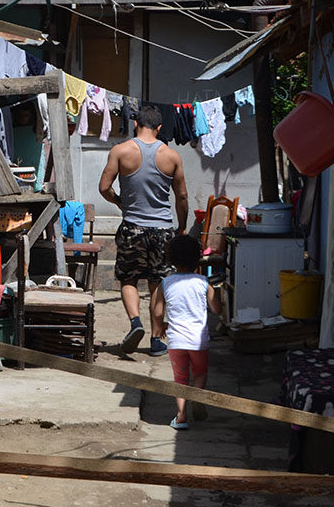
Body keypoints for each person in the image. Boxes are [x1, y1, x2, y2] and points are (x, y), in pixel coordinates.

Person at [99, 105, 188, 356]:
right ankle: (157, 339)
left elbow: (104, 187)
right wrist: (182, 227)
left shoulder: (120, 151)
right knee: (157, 281)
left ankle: (135, 322)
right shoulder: (172, 156)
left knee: (128, 278)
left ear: (136, 123)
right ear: (159, 127)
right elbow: (181, 196)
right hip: (162, 229)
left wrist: (120, 202)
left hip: (132, 227)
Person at [151, 235, 220, 429]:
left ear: (171, 258)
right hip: (198, 340)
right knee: (200, 373)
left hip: (176, 341)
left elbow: (157, 312)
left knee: (180, 379)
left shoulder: (166, 283)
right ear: (197, 258)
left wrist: (161, 325)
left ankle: (181, 416)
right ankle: (197, 396)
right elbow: (216, 309)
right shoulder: (203, 282)